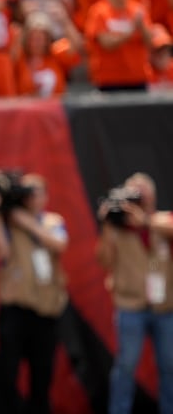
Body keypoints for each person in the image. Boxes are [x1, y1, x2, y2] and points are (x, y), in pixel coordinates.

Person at [0, 172, 69, 414]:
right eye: (27, 192)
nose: (32, 197)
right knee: (7, 372)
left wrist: (25, 221)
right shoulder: (7, 221)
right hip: (15, 309)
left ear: (46, 196)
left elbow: (59, 244)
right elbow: (1, 252)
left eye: (36, 192)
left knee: (42, 374)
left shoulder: (53, 221)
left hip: (46, 310)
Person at [95, 172, 173, 414]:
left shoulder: (162, 220)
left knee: (170, 366)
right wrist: (108, 224)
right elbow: (104, 260)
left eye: (142, 192)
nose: (138, 198)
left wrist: (145, 221)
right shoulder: (119, 229)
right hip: (131, 307)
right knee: (126, 366)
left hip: (165, 308)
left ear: (153, 196)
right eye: (133, 192)